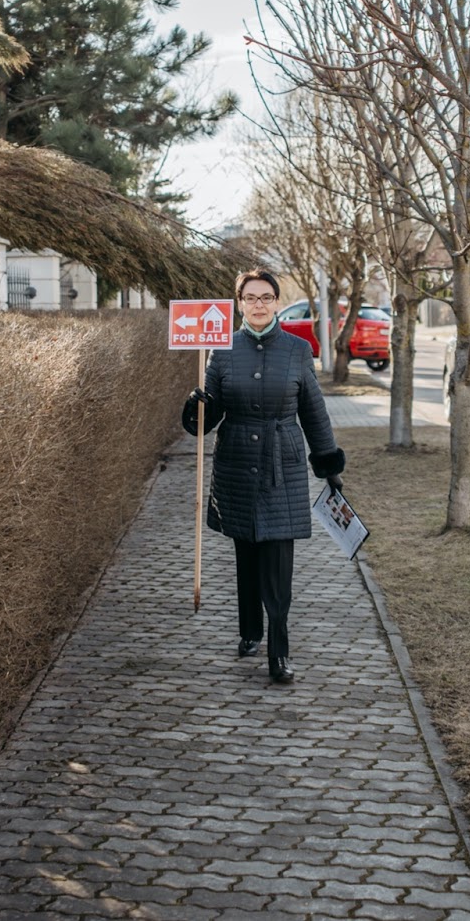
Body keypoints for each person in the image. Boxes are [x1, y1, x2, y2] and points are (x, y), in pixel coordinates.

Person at [181, 269, 345, 685]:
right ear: (239, 303)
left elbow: (313, 411)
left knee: (277, 562)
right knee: (247, 556)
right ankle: (249, 631)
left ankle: (279, 650)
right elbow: (208, 419)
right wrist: (196, 405)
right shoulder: (222, 350)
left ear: (276, 301)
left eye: (266, 297)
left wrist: (327, 463)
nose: (258, 304)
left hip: (281, 467)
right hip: (235, 464)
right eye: (250, 297)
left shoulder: (296, 350)